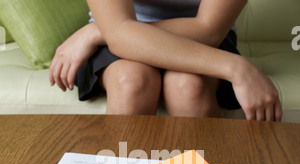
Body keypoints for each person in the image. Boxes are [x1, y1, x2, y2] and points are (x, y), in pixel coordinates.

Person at [49, 0, 282, 121]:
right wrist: (237, 67)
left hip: (202, 36)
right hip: (118, 32)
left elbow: (208, 29)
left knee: (188, 87)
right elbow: (118, 30)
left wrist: (97, 33)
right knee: (130, 83)